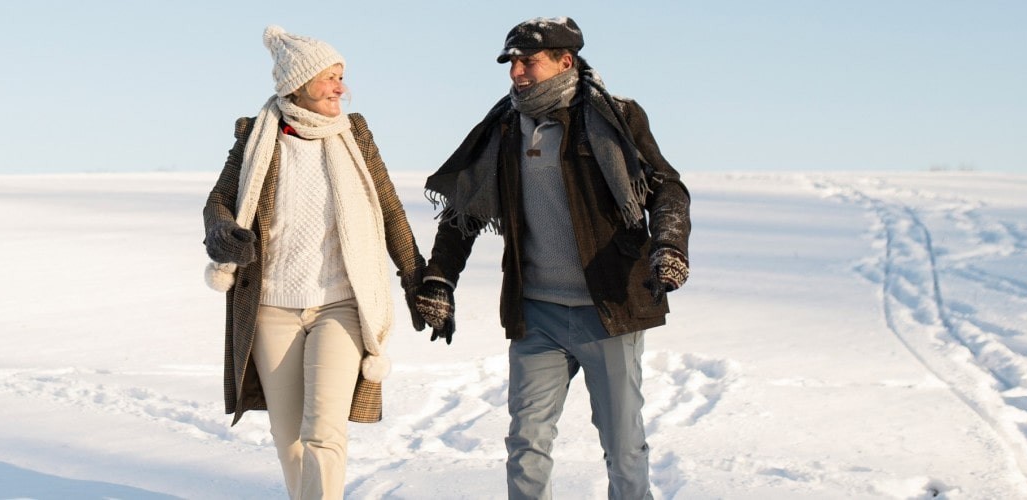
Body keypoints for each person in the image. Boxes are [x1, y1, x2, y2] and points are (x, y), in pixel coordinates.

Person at [412, 17, 692, 500]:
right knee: (527, 442)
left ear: (566, 61)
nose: (516, 72)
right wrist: (440, 278)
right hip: (536, 313)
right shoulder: (503, 127)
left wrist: (669, 246)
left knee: (623, 446)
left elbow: (667, 189)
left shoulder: (617, 118)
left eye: (527, 61)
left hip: (609, 310)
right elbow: (465, 210)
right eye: (512, 63)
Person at [202, 25, 426, 500]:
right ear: (296, 86)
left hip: (341, 305)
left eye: (341, 76)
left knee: (324, 433)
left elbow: (389, 210)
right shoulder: (256, 138)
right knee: (290, 441)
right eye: (329, 77)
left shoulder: (355, 135)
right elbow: (220, 200)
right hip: (271, 309)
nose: (341, 87)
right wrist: (223, 232)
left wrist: (415, 278)